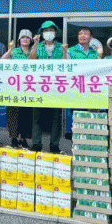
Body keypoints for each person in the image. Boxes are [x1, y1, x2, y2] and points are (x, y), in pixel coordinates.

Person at [29, 20, 63, 153]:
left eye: (51, 30)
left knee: (56, 117)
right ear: (42, 33)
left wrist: (65, 51)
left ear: (55, 32)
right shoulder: (38, 46)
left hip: (56, 86)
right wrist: (35, 45)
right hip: (39, 85)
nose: (49, 33)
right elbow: (31, 61)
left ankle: (54, 144)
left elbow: (66, 64)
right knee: (37, 116)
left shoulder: (61, 47)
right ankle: (36, 143)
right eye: (46, 30)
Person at [1, 29, 34, 148]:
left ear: (30, 40)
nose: (25, 39)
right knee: (13, 113)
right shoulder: (14, 52)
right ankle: (14, 138)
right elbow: (2, 61)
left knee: (26, 114)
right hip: (14, 87)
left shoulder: (33, 51)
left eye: (27, 37)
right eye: (22, 37)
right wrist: (10, 49)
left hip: (29, 87)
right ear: (19, 40)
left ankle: (24, 138)